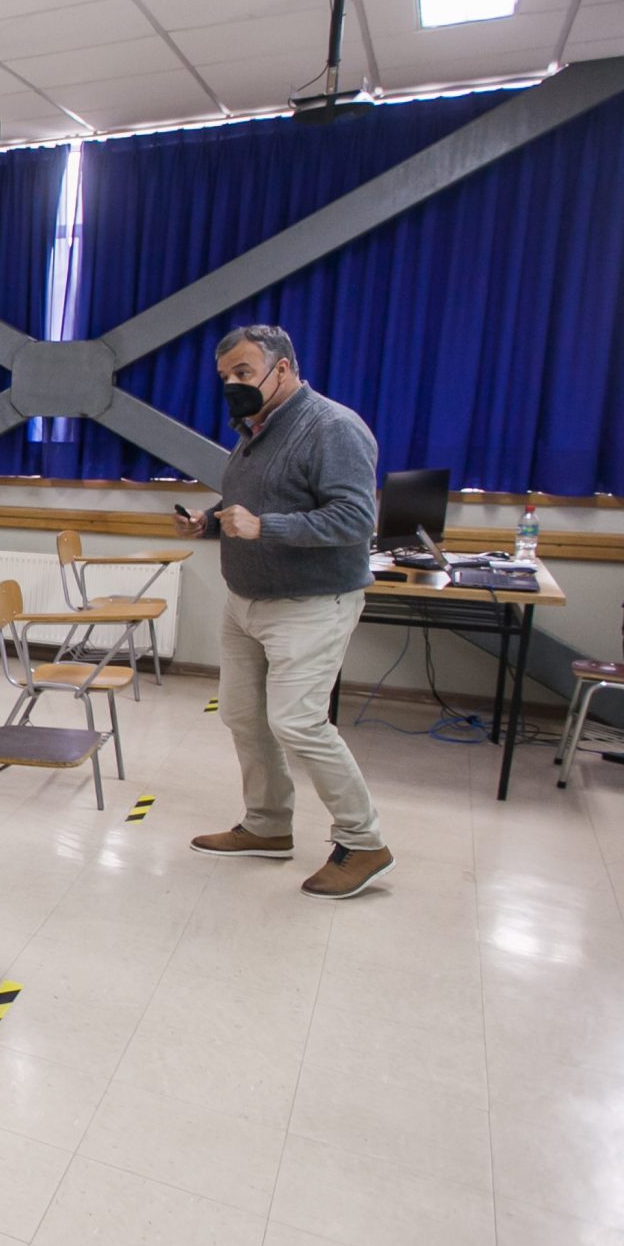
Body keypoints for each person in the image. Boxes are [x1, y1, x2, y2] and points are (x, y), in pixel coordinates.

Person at [176, 324, 395, 900]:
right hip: (246, 600)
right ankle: (268, 826)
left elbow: (355, 519)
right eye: (225, 377)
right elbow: (261, 496)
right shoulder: (256, 429)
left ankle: (364, 840)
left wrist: (263, 526)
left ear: (284, 369)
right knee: (244, 718)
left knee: (297, 721)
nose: (233, 386)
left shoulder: (334, 427)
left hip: (310, 603)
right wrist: (211, 517)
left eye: (244, 374)